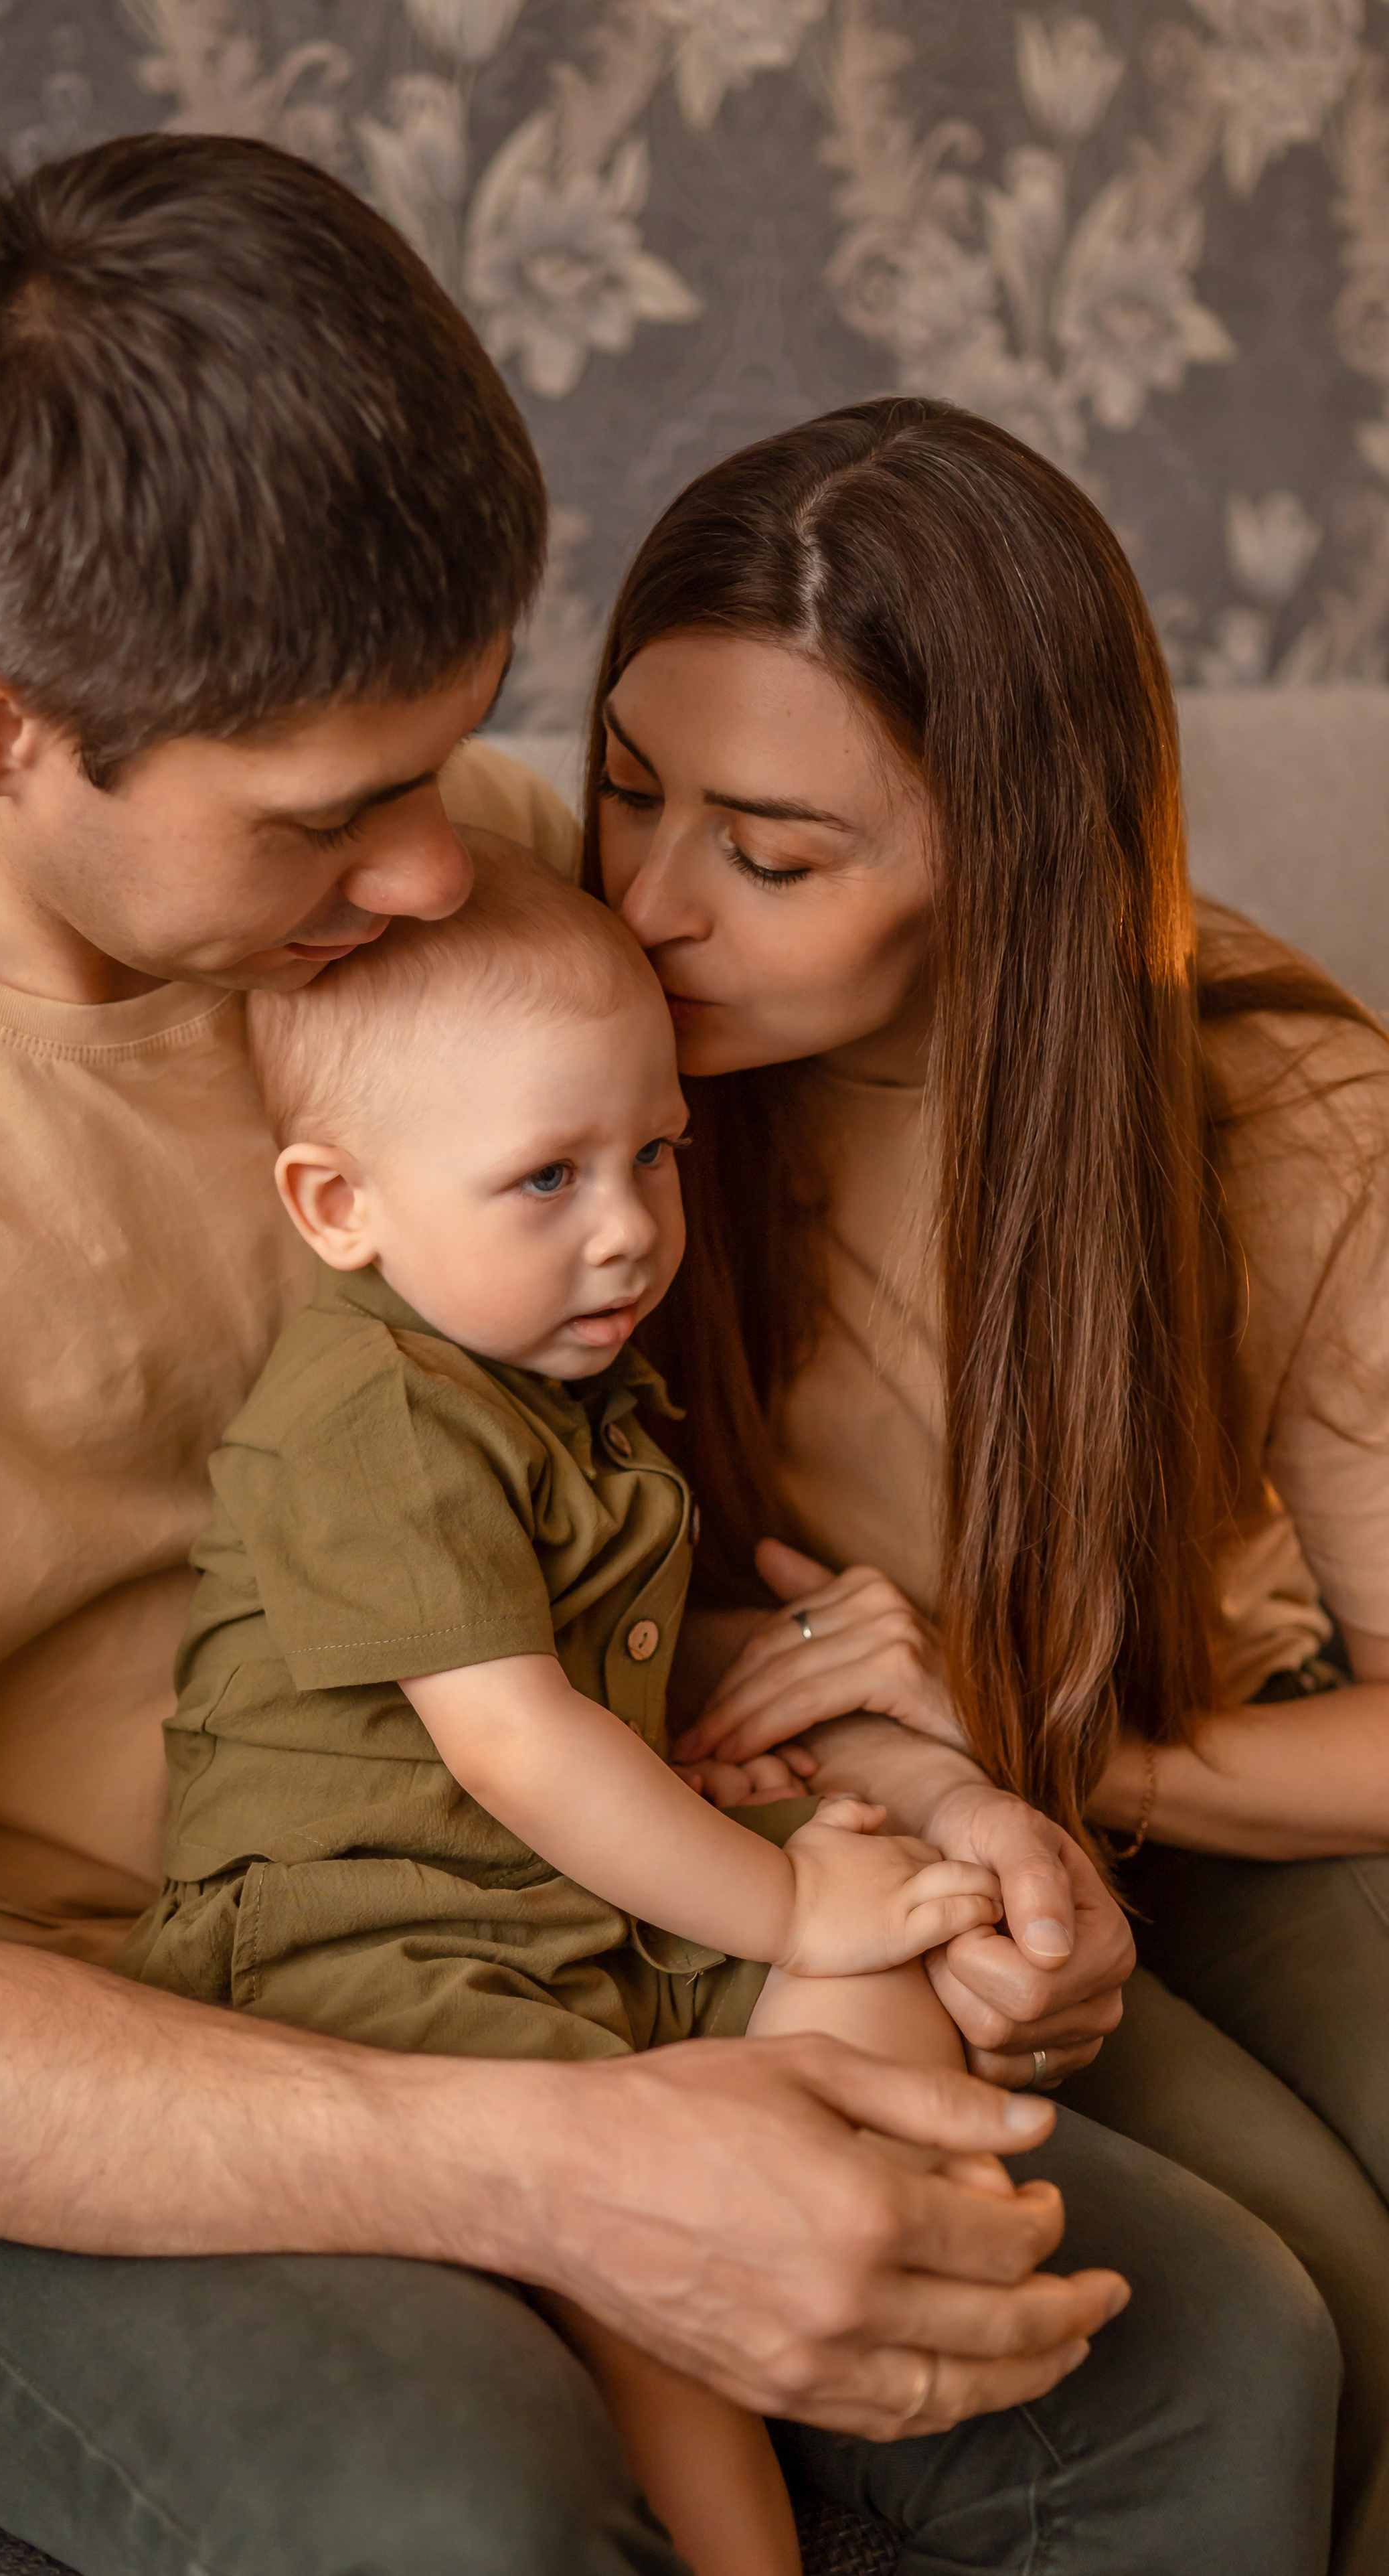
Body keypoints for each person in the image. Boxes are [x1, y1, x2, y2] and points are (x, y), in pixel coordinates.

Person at [0, 141, 1331, 2576]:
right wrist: (555, 2170)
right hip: (26, 2012)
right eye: (329, 819)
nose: (443, 872)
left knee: (1212, 2361)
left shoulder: (463, 878)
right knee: (458, 2501)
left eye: (452, 761)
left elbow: (610, 1511)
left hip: (555, 1898)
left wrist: (937, 1795)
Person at [587, 392, 1388, 2574]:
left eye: (769, 857)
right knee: (1285, 2291)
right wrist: (939, 1778)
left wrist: (1049, 1737)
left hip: (1204, 1757)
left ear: (1011, 855)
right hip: (840, 1812)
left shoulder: (1275, 1113)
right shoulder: (569, 1074)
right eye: (629, 792)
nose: (648, 905)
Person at [124, 844, 1023, 2576]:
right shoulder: (380, 1411)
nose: (628, 1228)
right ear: (339, 1205)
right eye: (548, 1175)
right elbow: (514, 1739)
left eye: (653, 1153)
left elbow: (600, 1689)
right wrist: (781, 1899)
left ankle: (879, 2227)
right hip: (369, 1934)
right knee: (649, 2230)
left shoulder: (547, 1369)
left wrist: (759, 1820)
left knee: (897, 1922)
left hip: (549, 1904)